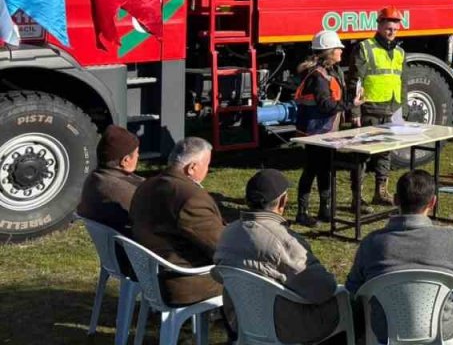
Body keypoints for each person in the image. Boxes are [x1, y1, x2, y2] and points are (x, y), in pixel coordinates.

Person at [346, 170, 453, 343]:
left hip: (386, 332)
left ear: (395, 200)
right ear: (432, 202)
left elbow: (354, 288)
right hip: (442, 332)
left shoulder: (371, 243)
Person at [215, 169, 342, 345]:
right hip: (286, 327)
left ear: (247, 201)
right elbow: (324, 288)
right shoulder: (284, 241)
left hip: (241, 320)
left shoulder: (227, 233)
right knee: (346, 304)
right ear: (283, 201)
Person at [130, 137, 226, 308]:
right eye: (207, 165)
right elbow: (221, 248)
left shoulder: (146, 185)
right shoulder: (190, 198)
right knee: (249, 280)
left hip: (150, 275)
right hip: (182, 282)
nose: (207, 169)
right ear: (193, 167)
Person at [347, 7, 406, 207]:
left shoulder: (399, 52)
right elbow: (355, 80)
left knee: (385, 152)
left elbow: (400, 80)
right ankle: (357, 198)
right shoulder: (365, 47)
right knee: (362, 156)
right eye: (389, 28)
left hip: (390, 108)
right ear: (379, 26)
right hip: (369, 109)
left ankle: (381, 192)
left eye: (395, 29)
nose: (392, 32)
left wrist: (400, 107)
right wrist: (354, 111)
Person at [295, 30, 349, 227]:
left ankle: (324, 210)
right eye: (338, 49)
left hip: (323, 131)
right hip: (315, 132)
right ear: (329, 52)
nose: (341, 51)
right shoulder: (318, 76)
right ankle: (302, 213)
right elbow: (325, 105)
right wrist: (350, 105)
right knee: (311, 169)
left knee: (325, 169)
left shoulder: (328, 71)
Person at [78, 125, 144, 234]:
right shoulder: (127, 192)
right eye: (137, 153)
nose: (138, 156)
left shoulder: (94, 179)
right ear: (125, 160)